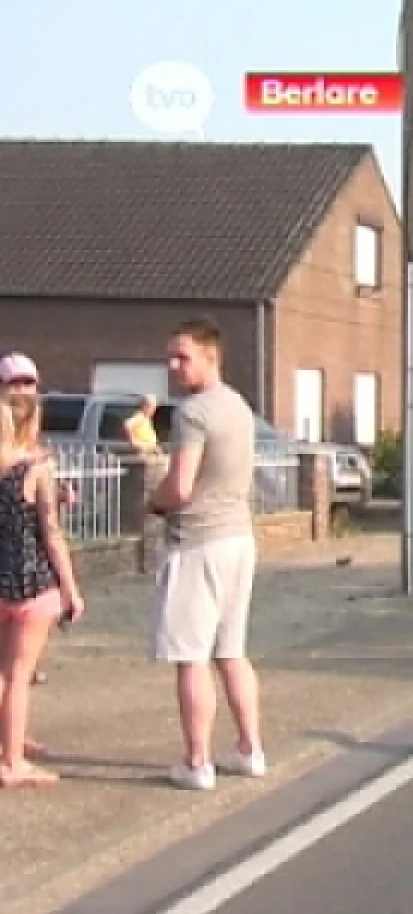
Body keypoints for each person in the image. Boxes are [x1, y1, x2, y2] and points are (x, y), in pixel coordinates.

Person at [146, 318, 265, 792]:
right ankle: (250, 747)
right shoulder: (238, 406)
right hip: (239, 537)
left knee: (191, 655)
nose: (173, 366)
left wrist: (153, 503)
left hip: (199, 541)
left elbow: (180, 487)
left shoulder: (193, 413)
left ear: (210, 357)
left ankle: (197, 761)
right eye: (171, 357)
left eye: (183, 357)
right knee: (232, 652)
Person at [0, 393, 84, 789]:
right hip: (32, 584)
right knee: (19, 676)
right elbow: (51, 534)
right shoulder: (38, 468)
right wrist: (71, 589)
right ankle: (13, 762)